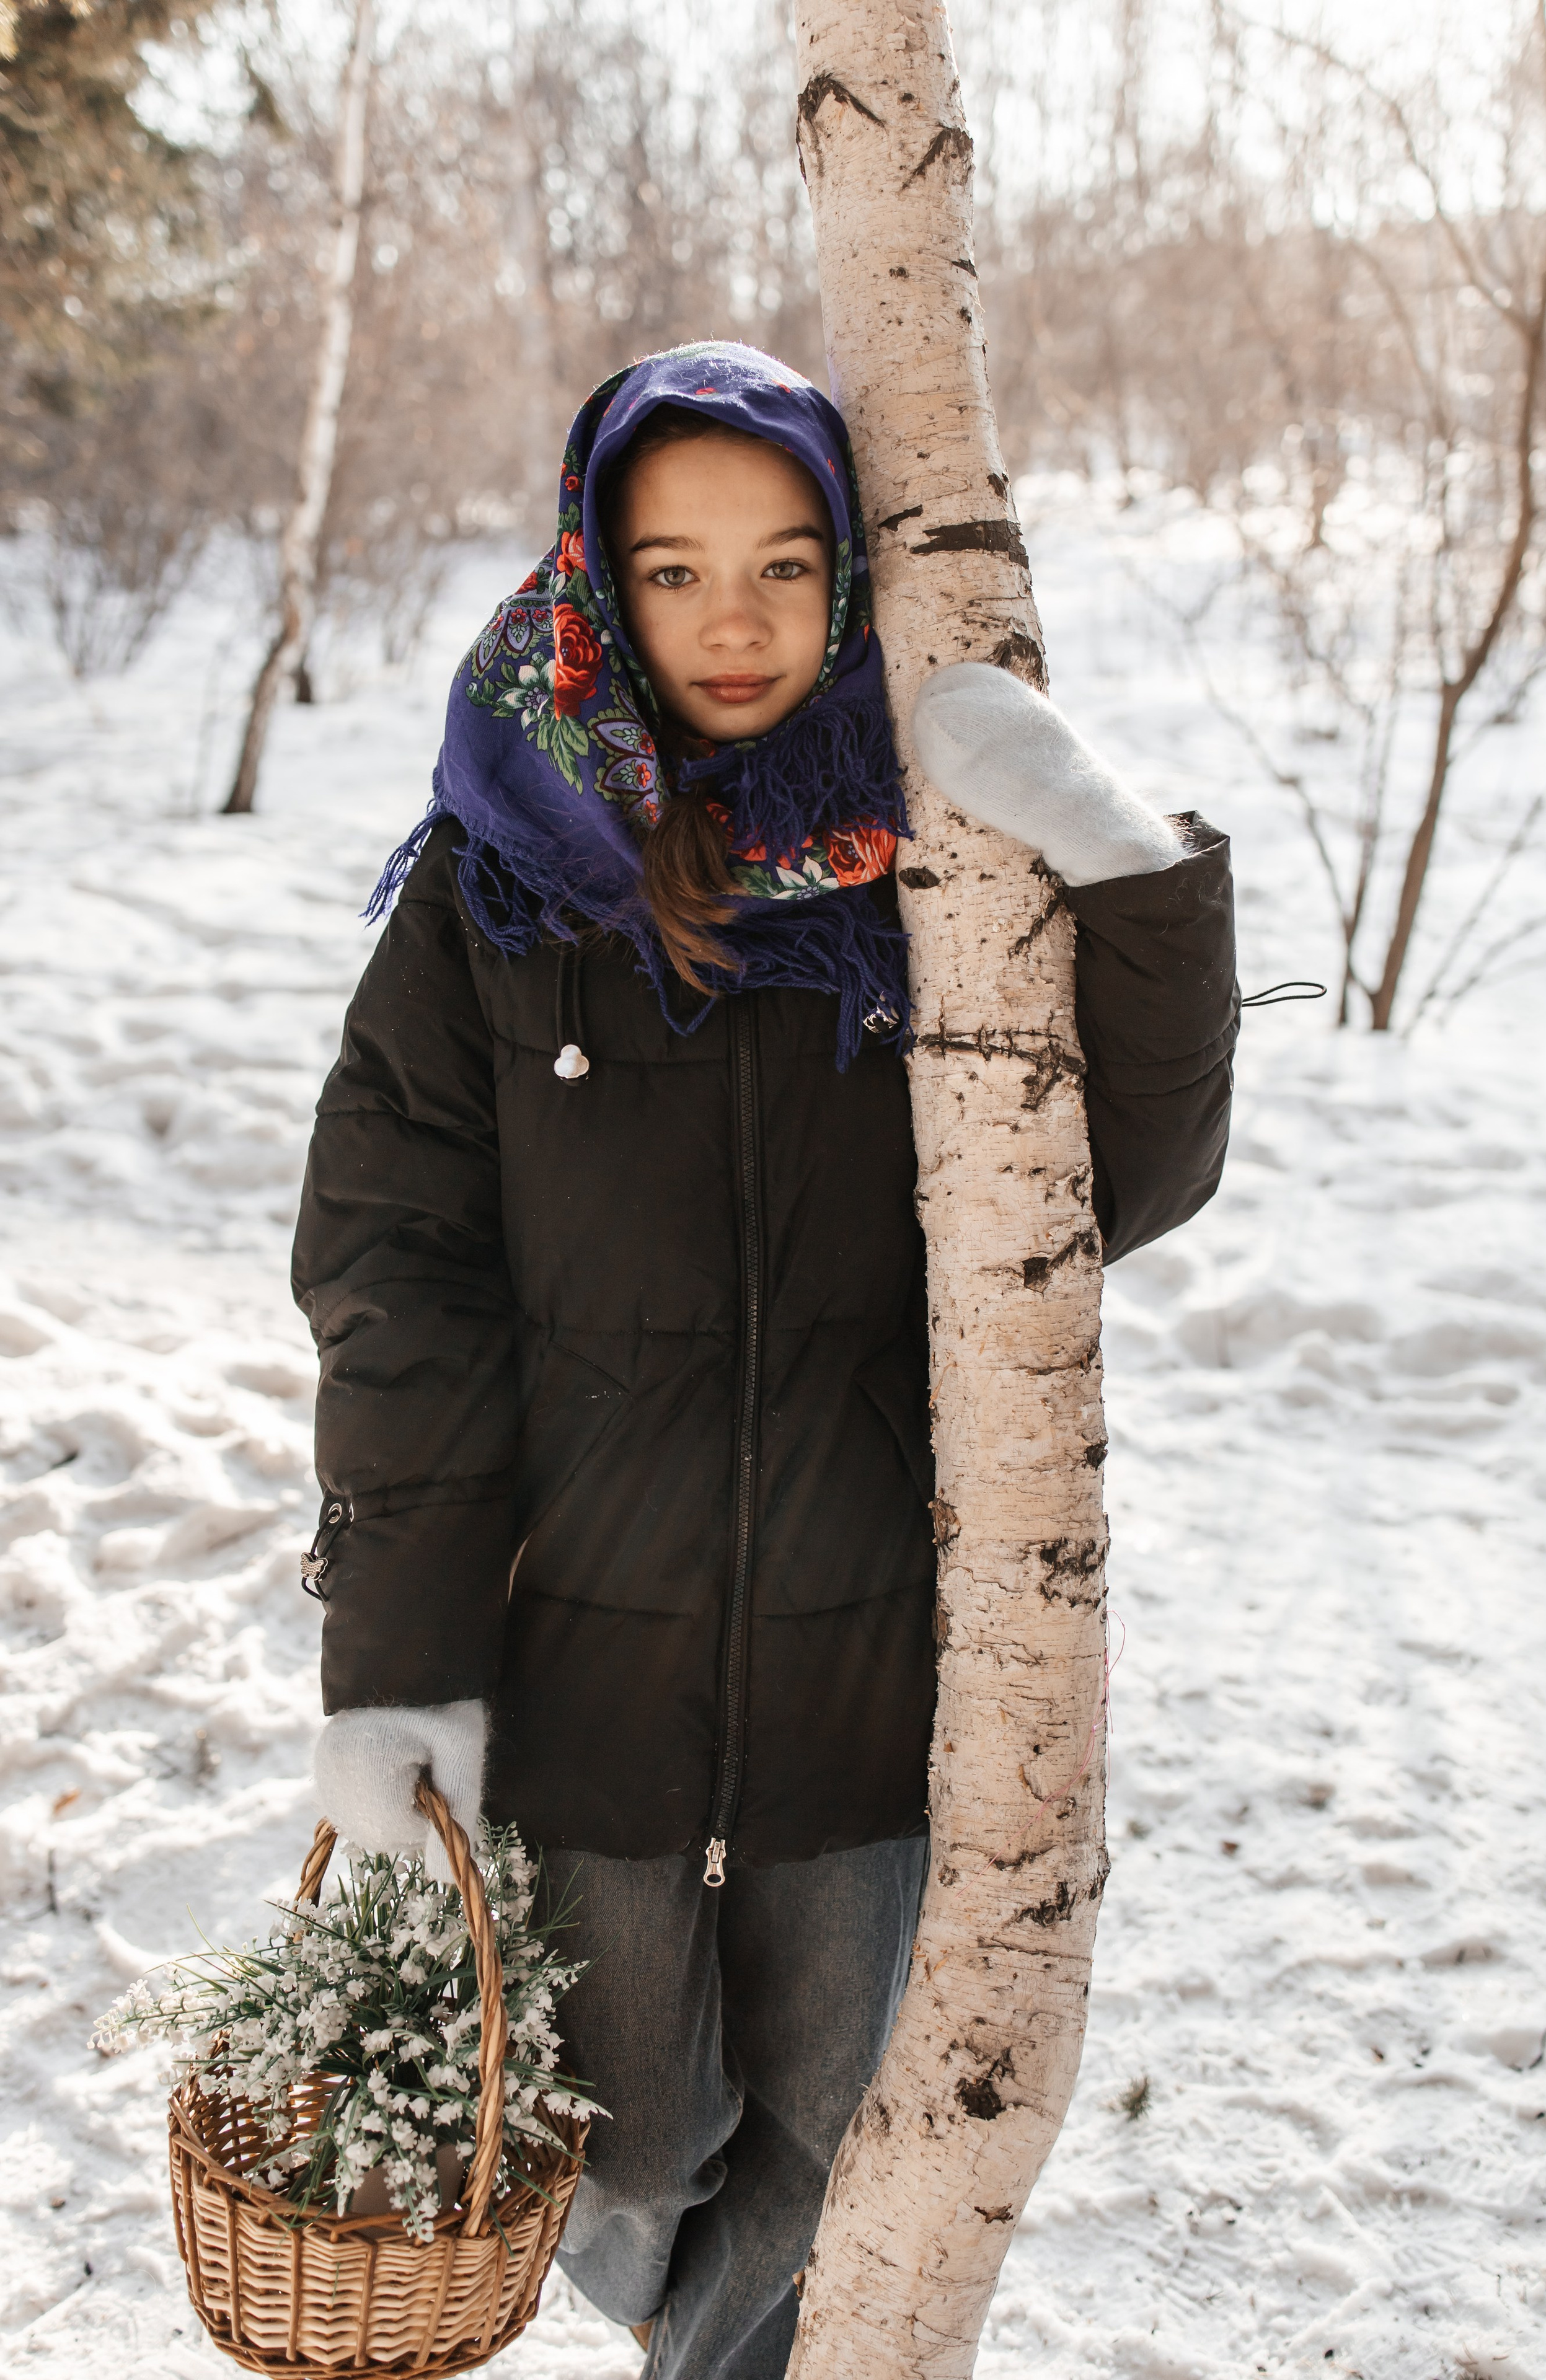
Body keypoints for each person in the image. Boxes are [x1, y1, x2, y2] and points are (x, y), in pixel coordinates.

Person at [296, 342, 1237, 2379]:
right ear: (592, 581)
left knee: (822, 2151)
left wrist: (1109, 859)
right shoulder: (497, 888)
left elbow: (1121, 1184)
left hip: (872, 1668)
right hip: (587, 1668)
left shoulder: (943, 880)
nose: (734, 621)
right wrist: (397, 1671)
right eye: (672, 569)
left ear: (854, 582)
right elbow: (396, 1282)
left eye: (789, 566)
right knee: (623, 2160)